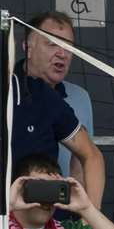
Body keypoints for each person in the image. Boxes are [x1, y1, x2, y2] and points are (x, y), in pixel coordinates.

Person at [9, 11, 105, 207]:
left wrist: (87, 218)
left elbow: (88, 156)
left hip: (48, 211)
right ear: (28, 48)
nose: (62, 53)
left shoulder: (71, 97)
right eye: (52, 43)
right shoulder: (12, 87)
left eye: (68, 46)